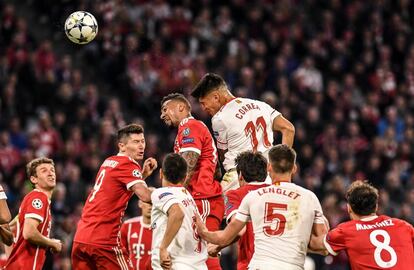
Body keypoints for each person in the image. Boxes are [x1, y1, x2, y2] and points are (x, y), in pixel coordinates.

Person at [196, 144, 327, 270]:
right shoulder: (309, 197)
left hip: (257, 264)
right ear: (294, 168)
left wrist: (204, 233)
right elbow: (323, 245)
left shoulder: (254, 196)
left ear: (270, 168)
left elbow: (232, 234)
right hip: (292, 265)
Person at [72, 124, 158, 270]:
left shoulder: (108, 162)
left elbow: (117, 193)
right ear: (122, 146)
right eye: (136, 142)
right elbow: (145, 196)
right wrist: (172, 195)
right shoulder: (128, 164)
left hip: (81, 238)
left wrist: (142, 176)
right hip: (104, 241)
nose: (141, 146)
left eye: (143, 141)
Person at [191, 73, 295, 192]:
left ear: (216, 97)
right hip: (267, 178)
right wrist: (282, 167)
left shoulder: (219, 118)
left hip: (238, 180)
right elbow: (289, 129)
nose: (204, 108)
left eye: (204, 103)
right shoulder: (261, 105)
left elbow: (222, 155)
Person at [160, 93, 224, 269]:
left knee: (205, 254)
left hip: (201, 198)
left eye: (165, 109)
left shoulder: (189, 126)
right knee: (196, 255)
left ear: (181, 107)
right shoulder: (196, 127)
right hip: (204, 196)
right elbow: (217, 170)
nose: (162, 115)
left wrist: (175, 194)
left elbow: (189, 160)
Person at [309, 181, 414, 270]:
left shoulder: (347, 230)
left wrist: (317, 218)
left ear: (349, 208)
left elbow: (314, 244)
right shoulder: (403, 225)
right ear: (376, 206)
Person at [209, 151, 269, 270]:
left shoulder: (235, 195)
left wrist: (217, 246)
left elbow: (239, 230)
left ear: (240, 175)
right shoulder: (277, 192)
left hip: (251, 263)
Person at [151, 153, 207, 270]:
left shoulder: (160, 193)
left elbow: (177, 213)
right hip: (197, 264)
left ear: (161, 173)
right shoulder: (188, 197)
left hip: (175, 264)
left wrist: (163, 247)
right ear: (185, 176)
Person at [4, 157, 62, 269]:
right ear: (34, 179)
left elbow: (7, 229)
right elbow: (29, 233)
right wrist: (52, 243)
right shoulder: (39, 197)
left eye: (52, 170)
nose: (50, 173)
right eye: (44, 171)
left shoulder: (34, 200)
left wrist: (10, 261)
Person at [120, 187, 155, 270]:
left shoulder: (163, 229)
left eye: (154, 203)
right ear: (140, 203)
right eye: (147, 202)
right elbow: (121, 253)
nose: (150, 206)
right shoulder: (128, 226)